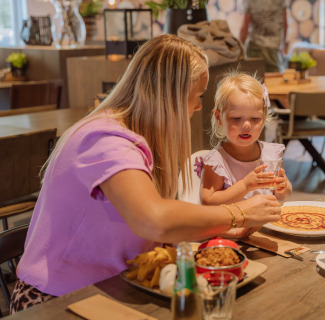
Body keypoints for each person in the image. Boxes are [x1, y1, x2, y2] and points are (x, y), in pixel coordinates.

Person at [10, 35, 281, 313]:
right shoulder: (105, 139)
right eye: (197, 96)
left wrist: (224, 226)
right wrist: (239, 212)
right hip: (56, 299)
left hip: (116, 286)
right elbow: (154, 220)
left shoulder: (138, 136)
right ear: (170, 96)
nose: (199, 106)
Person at [201, 71, 292, 226]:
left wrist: (283, 187)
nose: (247, 125)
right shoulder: (217, 161)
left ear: (263, 118)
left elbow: (283, 195)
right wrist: (245, 185)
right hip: (233, 231)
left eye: (255, 119)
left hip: (268, 228)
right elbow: (208, 202)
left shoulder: (271, 154)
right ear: (219, 118)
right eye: (237, 118)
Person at [239, 0, 288, 72]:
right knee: (275, 79)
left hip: (254, 48)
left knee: (253, 79)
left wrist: (240, 51)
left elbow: (244, 29)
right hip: (273, 48)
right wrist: (282, 48)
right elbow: (285, 25)